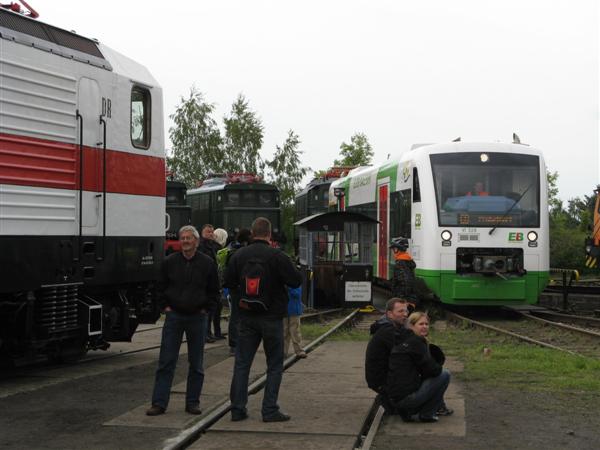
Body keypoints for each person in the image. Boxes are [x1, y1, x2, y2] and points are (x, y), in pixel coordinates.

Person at [224, 217, 302, 422]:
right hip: (272, 318)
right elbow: (296, 280)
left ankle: (237, 409)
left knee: (242, 364)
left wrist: (241, 301)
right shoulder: (278, 256)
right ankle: (269, 410)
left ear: (252, 232)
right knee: (274, 365)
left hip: (247, 318)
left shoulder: (239, 255)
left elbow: (228, 282)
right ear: (269, 235)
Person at [146, 225, 219, 416]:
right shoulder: (169, 262)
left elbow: (214, 291)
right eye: (183, 238)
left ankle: (192, 403)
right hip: (174, 316)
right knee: (166, 361)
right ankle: (159, 403)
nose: (185, 241)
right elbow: (159, 287)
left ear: (196, 241)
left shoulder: (207, 263)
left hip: (197, 317)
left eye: (189, 238)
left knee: (196, 363)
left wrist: (206, 309)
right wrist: (165, 307)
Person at [386, 311, 452, 423]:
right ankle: (427, 414)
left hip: (395, 399)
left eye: (426, 324)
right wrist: (436, 362)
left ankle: (412, 411)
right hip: (407, 399)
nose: (425, 327)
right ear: (411, 326)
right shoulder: (416, 343)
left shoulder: (403, 339)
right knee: (445, 374)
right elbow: (434, 371)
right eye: (421, 324)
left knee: (432, 377)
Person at [365, 298, 411, 412]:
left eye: (406, 311)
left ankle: (389, 400)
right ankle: (389, 398)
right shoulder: (387, 330)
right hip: (382, 381)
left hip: (382, 378)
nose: (405, 314)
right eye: (400, 311)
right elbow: (407, 351)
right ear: (390, 314)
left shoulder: (390, 327)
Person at [219, 228, 252, 356]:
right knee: (238, 316)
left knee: (235, 315)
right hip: (240, 288)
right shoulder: (242, 253)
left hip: (234, 288)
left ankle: (235, 343)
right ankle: (236, 343)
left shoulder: (231, 251)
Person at [198, 224, 219, 343]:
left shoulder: (212, 246)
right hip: (204, 282)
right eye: (208, 232)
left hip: (212, 281)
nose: (210, 234)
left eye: (212, 232)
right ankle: (205, 334)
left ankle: (208, 333)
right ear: (202, 233)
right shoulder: (202, 246)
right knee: (206, 311)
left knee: (211, 310)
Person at [209, 228, 228, 340]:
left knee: (215, 309)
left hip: (216, 283)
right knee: (215, 309)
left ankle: (214, 332)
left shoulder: (213, 247)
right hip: (217, 283)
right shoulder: (219, 249)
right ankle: (215, 332)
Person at [390, 237, 418, 310]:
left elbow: (405, 282)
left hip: (404, 301)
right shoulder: (407, 260)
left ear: (397, 250)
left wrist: (401, 300)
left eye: (393, 249)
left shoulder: (400, 263)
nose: (392, 252)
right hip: (411, 299)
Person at [283, 286, 307, 358]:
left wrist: (288, 288)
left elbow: (297, 294)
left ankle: (299, 351)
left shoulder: (295, 282)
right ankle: (283, 352)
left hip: (294, 310)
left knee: (295, 332)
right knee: (284, 332)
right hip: (284, 310)